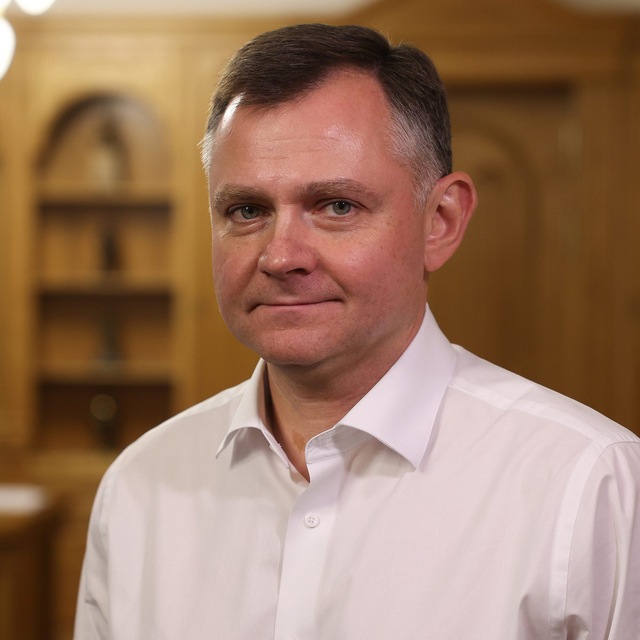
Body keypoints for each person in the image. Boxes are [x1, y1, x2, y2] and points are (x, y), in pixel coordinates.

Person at [74, 23, 640, 640]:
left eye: (336, 206)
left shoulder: (590, 487)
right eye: (247, 210)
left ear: (440, 221)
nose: (281, 256)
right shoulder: (139, 487)